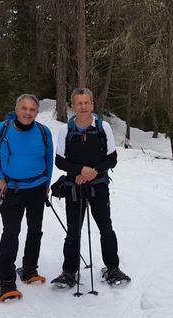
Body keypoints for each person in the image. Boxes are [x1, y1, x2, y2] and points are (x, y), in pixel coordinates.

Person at [51, 87, 130, 288]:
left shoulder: (104, 128)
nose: (83, 106)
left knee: (106, 228)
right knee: (73, 231)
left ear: (92, 105)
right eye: (79, 103)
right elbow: (60, 161)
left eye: (86, 103)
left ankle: (113, 268)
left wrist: (92, 172)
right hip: (74, 187)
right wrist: (80, 171)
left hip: (99, 186)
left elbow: (112, 158)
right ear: (73, 106)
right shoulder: (65, 130)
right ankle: (69, 272)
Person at [0, 94, 54, 301]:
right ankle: (6, 281)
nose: (27, 112)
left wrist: (47, 183)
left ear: (37, 112)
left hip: (37, 188)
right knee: (11, 232)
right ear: (16, 109)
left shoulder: (43, 131)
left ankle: (29, 269)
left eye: (32, 109)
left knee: (35, 230)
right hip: (11, 189)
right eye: (24, 108)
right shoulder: (1, 129)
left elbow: (48, 158)